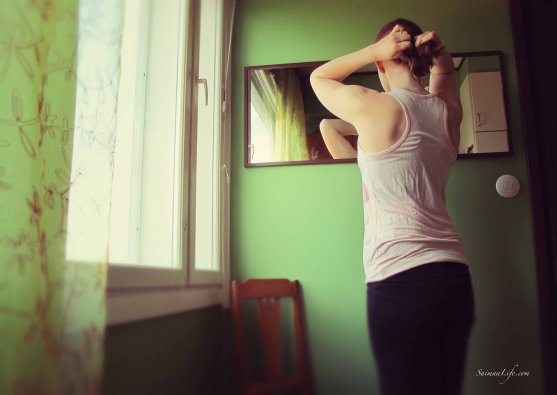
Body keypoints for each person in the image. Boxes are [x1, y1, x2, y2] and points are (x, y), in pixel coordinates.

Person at [310, 18, 476, 395]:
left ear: (383, 64)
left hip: (399, 278)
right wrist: (440, 54)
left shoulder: (376, 106)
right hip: (453, 276)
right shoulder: (447, 112)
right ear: (424, 59)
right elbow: (445, 75)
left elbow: (319, 79)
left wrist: (372, 52)